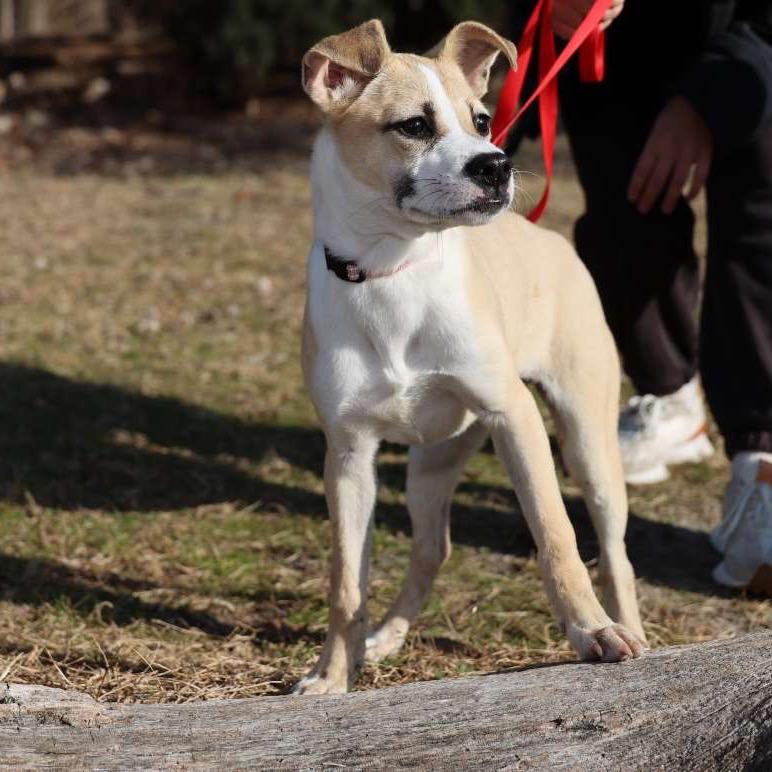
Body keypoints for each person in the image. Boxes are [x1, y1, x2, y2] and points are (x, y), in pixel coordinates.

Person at [528, 0, 772, 592]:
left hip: (754, 25)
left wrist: (704, 101)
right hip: (621, 45)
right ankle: (671, 398)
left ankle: (762, 453)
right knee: (627, 213)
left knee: (763, 219)